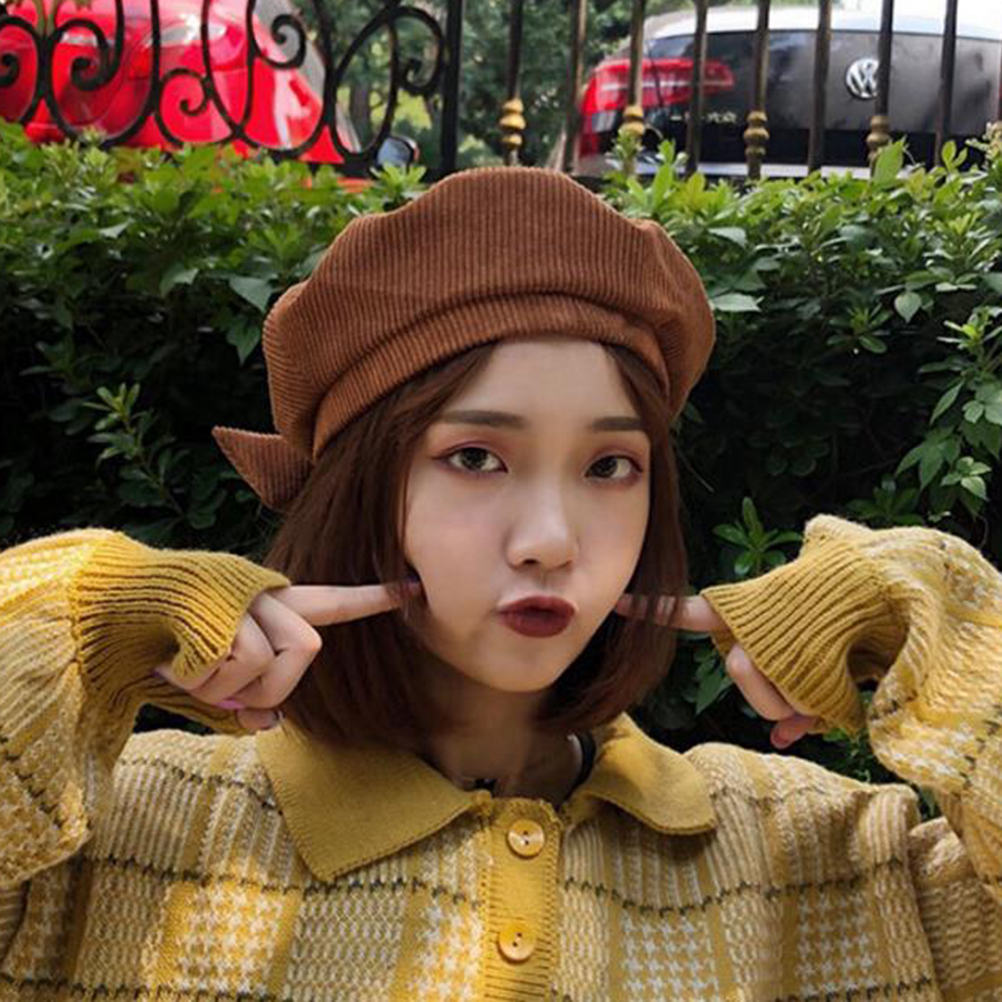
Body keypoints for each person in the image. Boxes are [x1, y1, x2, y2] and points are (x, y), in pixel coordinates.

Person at [0, 165, 999, 1001]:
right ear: (361, 493)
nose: (552, 541)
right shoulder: (115, 838)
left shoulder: (828, 861)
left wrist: (921, 612)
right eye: (475, 457)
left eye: (610, 465)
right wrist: (89, 622)